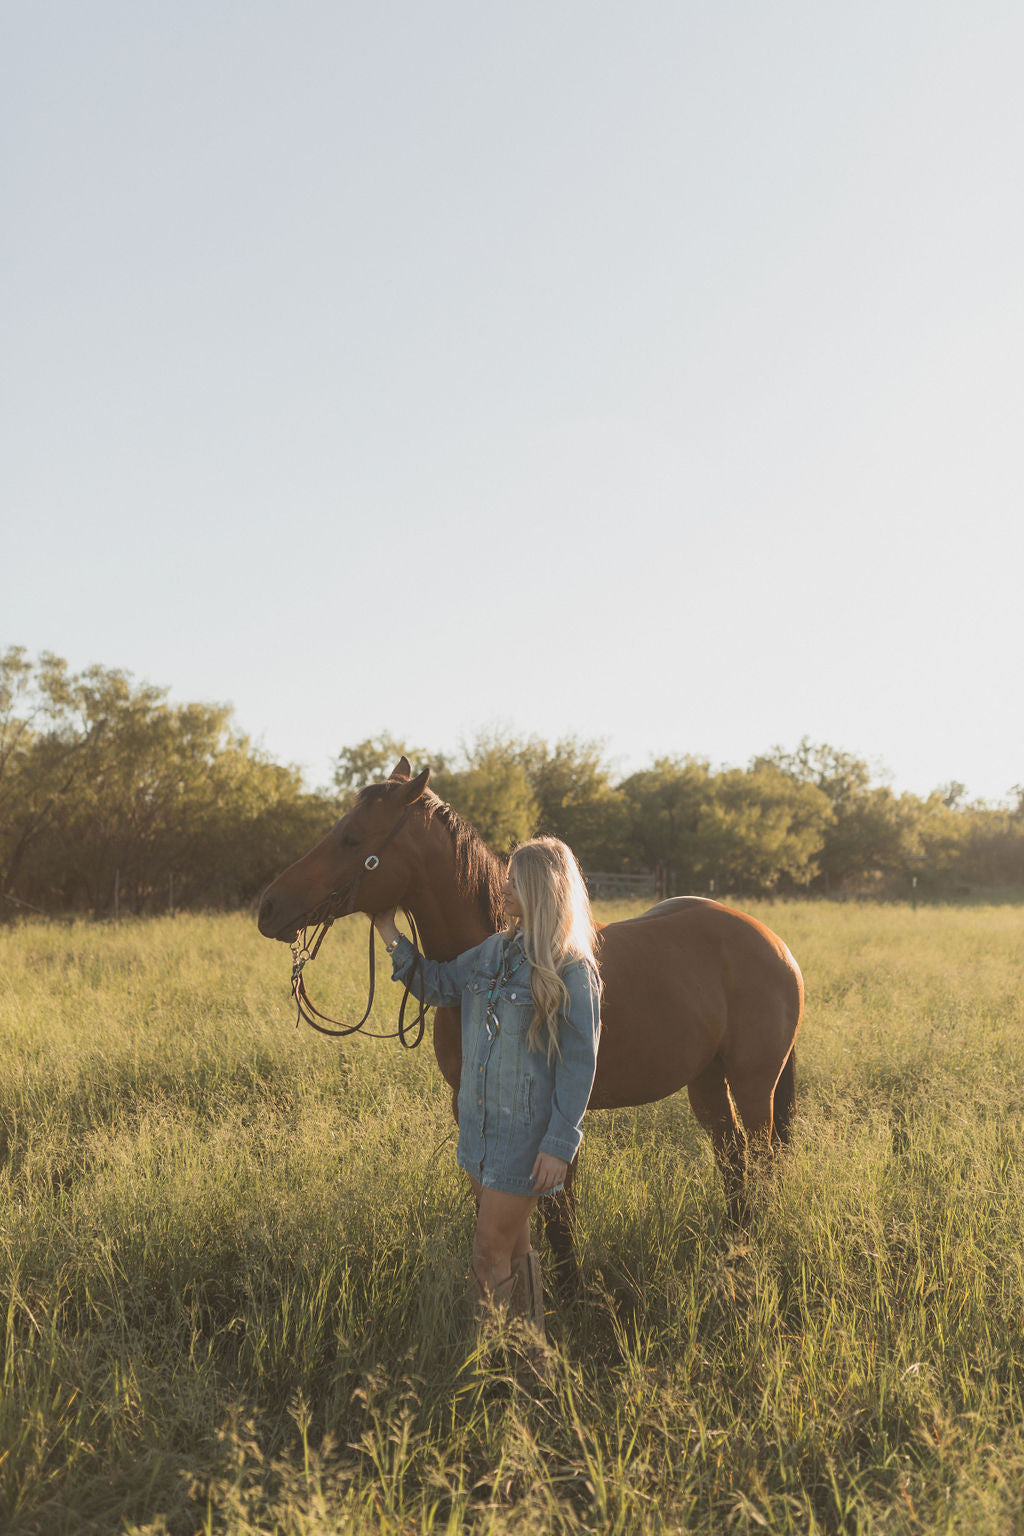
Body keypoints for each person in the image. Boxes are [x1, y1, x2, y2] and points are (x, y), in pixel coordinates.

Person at [372, 835, 602, 1347]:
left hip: (524, 1140)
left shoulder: (572, 968)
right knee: (513, 1253)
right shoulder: (494, 951)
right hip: (477, 1132)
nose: (502, 887)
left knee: (486, 1253)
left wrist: (559, 1145)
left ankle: (494, 1362)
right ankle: (530, 1360)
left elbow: (579, 1064)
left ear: (543, 888)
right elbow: (434, 985)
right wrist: (388, 930)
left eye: (514, 880)